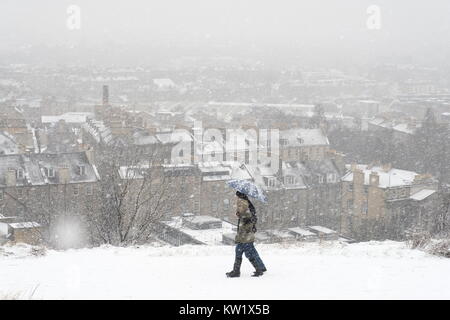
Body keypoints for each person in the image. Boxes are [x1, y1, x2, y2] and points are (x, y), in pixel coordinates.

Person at [226, 191, 267, 277]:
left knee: (247, 253)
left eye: (239, 204)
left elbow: (247, 224)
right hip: (243, 237)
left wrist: (240, 214)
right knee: (242, 253)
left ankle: (257, 270)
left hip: (245, 238)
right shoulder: (247, 211)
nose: (238, 206)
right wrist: (239, 214)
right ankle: (238, 271)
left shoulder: (246, 212)